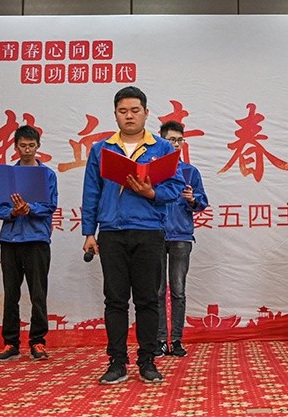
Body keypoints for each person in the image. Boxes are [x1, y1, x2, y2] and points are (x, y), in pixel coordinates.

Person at [83, 86, 183, 385]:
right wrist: (89, 232)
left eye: (135, 110)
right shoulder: (102, 149)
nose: (129, 116)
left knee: (147, 300)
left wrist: (151, 192)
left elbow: (175, 187)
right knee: (115, 300)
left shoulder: (162, 148)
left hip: (148, 231)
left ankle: (147, 361)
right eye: (123, 111)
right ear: (115, 114)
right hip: (111, 232)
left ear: (146, 113)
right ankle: (117, 362)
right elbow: (91, 192)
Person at [0, 125, 58, 363]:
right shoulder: (6, 175)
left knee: (38, 293)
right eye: (22, 146)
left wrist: (29, 209)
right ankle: (11, 343)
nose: (27, 150)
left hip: (37, 239)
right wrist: (13, 212)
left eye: (31, 145)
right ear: (15, 147)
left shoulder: (47, 175)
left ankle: (38, 341)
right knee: (11, 293)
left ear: (38, 146)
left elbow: (50, 206)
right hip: (10, 240)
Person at [154, 121, 209, 358]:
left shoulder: (190, 172)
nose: (176, 144)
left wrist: (192, 199)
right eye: (171, 140)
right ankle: (159, 340)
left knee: (178, 290)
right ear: (161, 141)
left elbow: (202, 201)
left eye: (179, 140)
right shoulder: (153, 170)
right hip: (156, 234)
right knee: (157, 291)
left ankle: (176, 340)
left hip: (181, 236)